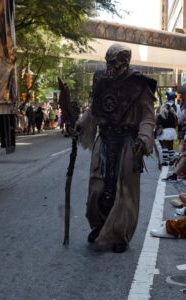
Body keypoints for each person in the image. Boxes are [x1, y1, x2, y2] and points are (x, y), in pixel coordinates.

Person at [74, 43, 157, 253]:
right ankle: (99, 225)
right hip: (104, 139)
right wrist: (81, 124)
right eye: (108, 62)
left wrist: (144, 137)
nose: (110, 67)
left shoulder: (140, 85)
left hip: (128, 142)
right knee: (97, 187)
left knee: (125, 191)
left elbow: (148, 115)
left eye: (114, 63)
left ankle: (120, 234)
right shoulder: (102, 81)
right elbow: (94, 110)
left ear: (125, 62)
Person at [155, 102, 177, 166]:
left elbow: (157, 123)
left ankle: (165, 162)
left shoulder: (160, 115)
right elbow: (176, 123)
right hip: (172, 131)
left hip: (164, 131)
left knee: (164, 147)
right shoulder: (173, 114)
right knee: (171, 147)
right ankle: (172, 161)